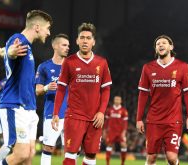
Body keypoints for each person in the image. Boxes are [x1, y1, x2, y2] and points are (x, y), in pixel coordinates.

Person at [52, 22, 112, 165]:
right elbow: (61, 89)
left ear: (93, 42)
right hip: (74, 116)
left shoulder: (102, 63)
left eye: (88, 38)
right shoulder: (69, 62)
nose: (85, 41)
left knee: (91, 156)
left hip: (95, 118)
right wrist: (55, 113)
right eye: (82, 37)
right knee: (70, 155)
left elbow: (106, 90)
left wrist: (102, 112)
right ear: (77, 40)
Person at [0, 10, 52, 165]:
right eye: (47, 28)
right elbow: (12, 52)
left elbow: (9, 55)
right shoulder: (18, 39)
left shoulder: (28, 47)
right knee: (21, 154)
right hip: (15, 105)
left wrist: (3, 52)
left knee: (29, 156)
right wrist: (9, 53)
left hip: (29, 108)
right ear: (37, 27)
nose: (48, 32)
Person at [136, 35, 188, 165]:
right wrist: (139, 118)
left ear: (171, 47)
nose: (161, 45)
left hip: (173, 121)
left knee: (172, 158)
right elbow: (143, 95)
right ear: (156, 49)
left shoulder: (182, 66)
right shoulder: (148, 68)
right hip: (154, 121)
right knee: (151, 159)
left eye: (164, 43)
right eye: (158, 44)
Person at [35, 34, 70, 165]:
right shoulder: (43, 67)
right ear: (55, 46)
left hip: (70, 114)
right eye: (64, 45)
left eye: (68, 46)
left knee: (71, 149)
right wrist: (46, 87)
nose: (67, 48)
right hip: (51, 113)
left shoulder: (71, 66)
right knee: (48, 147)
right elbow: (37, 90)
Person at [104, 95, 128, 165]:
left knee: (124, 145)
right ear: (114, 100)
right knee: (109, 145)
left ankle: (122, 163)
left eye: (118, 100)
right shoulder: (109, 110)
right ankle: (107, 163)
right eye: (116, 99)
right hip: (111, 131)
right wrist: (104, 131)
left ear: (121, 101)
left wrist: (124, 132)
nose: (117, 101)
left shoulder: (124, 111)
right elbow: (106, 122)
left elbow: (125, 123)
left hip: (120, 132)